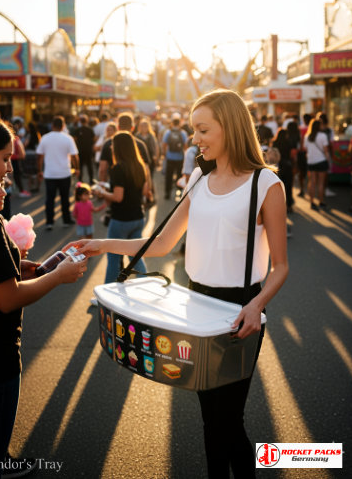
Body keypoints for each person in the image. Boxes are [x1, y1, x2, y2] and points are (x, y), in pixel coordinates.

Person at [65, 89, 289, 479]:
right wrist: (103, 244)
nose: (195, 139)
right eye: (193, 130)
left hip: (242, 310)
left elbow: (281, 266)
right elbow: (164, 241)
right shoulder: (200, 175)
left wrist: (256, 306)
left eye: (203, 129)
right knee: (210, 416)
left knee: (229, 417)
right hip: (195, 302)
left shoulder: (266, 184)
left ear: (230, 127)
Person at [0, 113, 87, 479]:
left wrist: (17, 265)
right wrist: (57, 276)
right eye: (4, 158)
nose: (9, 168)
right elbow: (7, 299)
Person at [96, 131, 150, 284]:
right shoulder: (139, 165)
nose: (111, 148)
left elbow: (118, 197)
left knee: (113, 258)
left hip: (121, 219)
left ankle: (106, 296)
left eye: (113, 145)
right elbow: (145, 191)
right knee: (136, 257)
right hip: (138, 216)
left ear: (118, 148)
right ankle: (146, 286)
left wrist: (102, 192)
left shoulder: (118, 168)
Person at [36, 116, 80, 230]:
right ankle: (66, 220)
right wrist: (77, 168)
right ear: (63, 126)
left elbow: (39, 156)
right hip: (64, 173)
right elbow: (75, 156)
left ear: (52, 125)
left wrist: (39, 171)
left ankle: (49, 222)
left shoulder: (45, 138)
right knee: (65, 198)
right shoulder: (68, 138)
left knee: (50, 199)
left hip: (49, 173)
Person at [304, 118, 330, 211]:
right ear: (319, 126)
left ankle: (312, 202)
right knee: (321, 183)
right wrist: (328, 161)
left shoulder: (307, 136)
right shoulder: (323, 135)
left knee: (312, 182)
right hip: (321, 161)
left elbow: (305, 149)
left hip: (311, 161)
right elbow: (326, 151)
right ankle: (321, 201)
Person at [162, 116, 188, 199]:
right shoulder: (183, 133)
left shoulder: (168, 132)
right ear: (179, 123)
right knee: (179, 175)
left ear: (172, 123)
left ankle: (167, 193)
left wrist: (165, 154)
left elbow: (164, 144)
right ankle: (179, 193)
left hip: (170, 157)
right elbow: (186, 145)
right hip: (180, 158)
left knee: (169, 176)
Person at [272, 129, 294, 213]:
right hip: (287, 166)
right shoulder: (288, 143)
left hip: (278, 167)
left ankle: (279, 206)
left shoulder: (275, 143)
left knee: (279, 188)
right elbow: (292, 155)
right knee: (288, 187)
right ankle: (289, 206)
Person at [73, 115, 96, 184]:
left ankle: (80, 180)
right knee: (89, 166)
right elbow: (94, 139)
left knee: (80, 166)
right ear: (87, 121)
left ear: (80, 121)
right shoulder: (90, 129)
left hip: (80, 150)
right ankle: (91, 180)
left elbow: (74, 140)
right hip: (88, 150)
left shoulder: (77, 130)